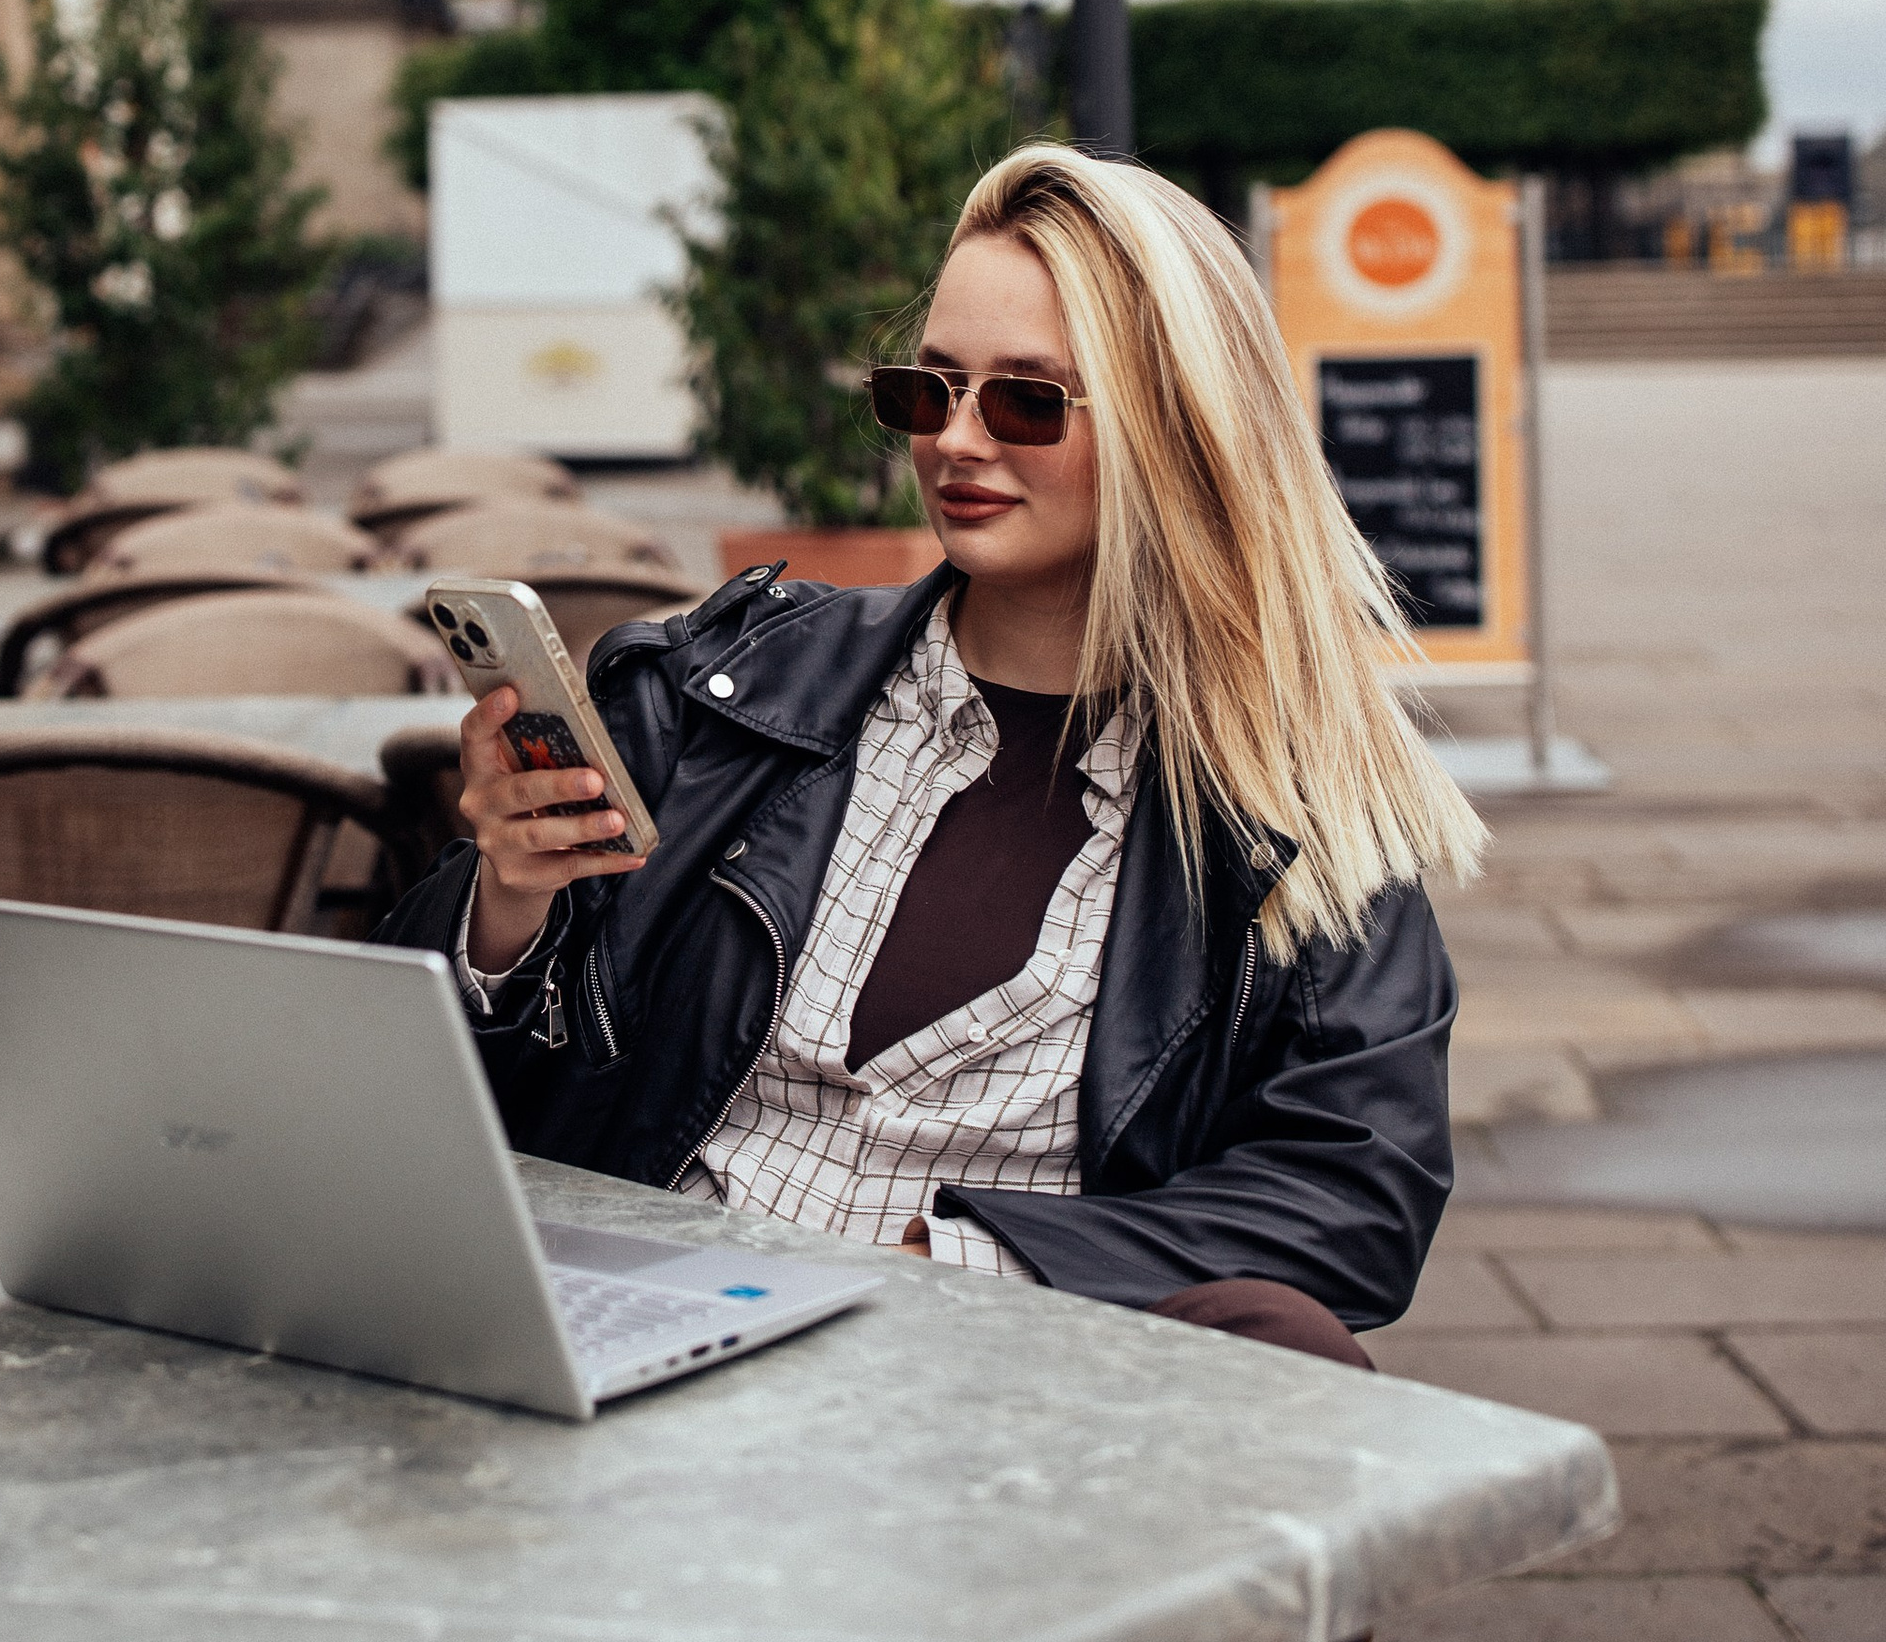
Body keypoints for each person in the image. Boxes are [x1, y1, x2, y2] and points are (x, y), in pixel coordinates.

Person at [375, 143, 1488, 1362]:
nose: (955, 440)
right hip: (651, 1345)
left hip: (994, 1396)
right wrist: (506, 904)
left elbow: (1355, 1195)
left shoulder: (1295, 805)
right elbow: (413, 1082)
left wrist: (961, 1257)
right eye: (928, 388)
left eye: (1025, 399)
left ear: (1178, 429)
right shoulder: (714, 686)